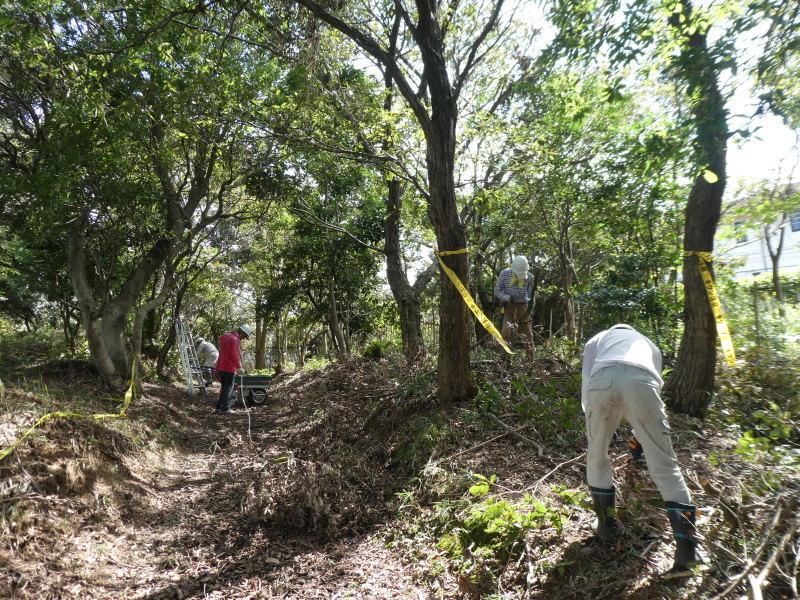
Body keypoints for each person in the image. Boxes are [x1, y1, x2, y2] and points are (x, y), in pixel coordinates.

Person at [581, 324, 702, 575]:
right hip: (642, 383)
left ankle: (605, 526)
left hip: (601, 383)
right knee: (665, 464)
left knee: (597, 455)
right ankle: (687, 550)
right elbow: (651, 391)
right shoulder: (649, 344)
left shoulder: (598, 338)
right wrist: (639, 436)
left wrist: (596, 419)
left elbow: (588, 378)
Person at [494, 255, 535, 357]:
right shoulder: (504, 274)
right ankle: (505, 358)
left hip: (523, 306)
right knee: (505, 332)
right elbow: (497, 290)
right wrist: (507, 297)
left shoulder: (530, 277)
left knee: (527, 334)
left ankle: (530, 358)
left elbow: (531, 294)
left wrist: (531, 303)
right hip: (509, 306)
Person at [214, 324, 252, 414]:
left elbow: (220, 338)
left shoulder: (228, 336)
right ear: (241, 332)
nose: (243, 338)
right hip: (228, 368)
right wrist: (239, 367)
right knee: (228, 389)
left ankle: (219, 407)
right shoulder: (234, 340)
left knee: (224, 388)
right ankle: (226, 408)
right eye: (244, 336)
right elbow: (234, 355)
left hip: (221, 367)